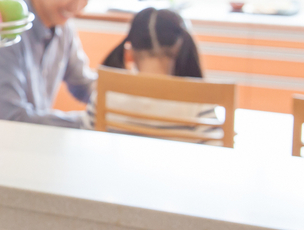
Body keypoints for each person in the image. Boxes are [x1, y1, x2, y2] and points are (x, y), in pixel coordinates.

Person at [92, 8, 220, 140]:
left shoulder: (105, 94)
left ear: (130, 52)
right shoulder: (200, 102)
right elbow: (215, 152)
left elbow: (86, 143)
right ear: (180, 48)